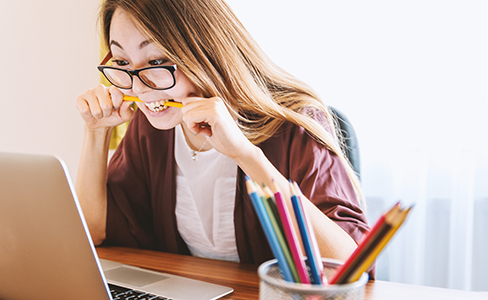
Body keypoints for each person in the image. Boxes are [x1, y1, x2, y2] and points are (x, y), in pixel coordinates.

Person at [75, 0, 369, 266]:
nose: (138, 88)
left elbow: (349, 264)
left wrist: (245, 154)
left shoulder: (295, 123)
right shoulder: (153, 127)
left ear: (205, 51)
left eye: (156, 62)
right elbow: (94, 230)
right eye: (122, 63)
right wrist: (96, 132)